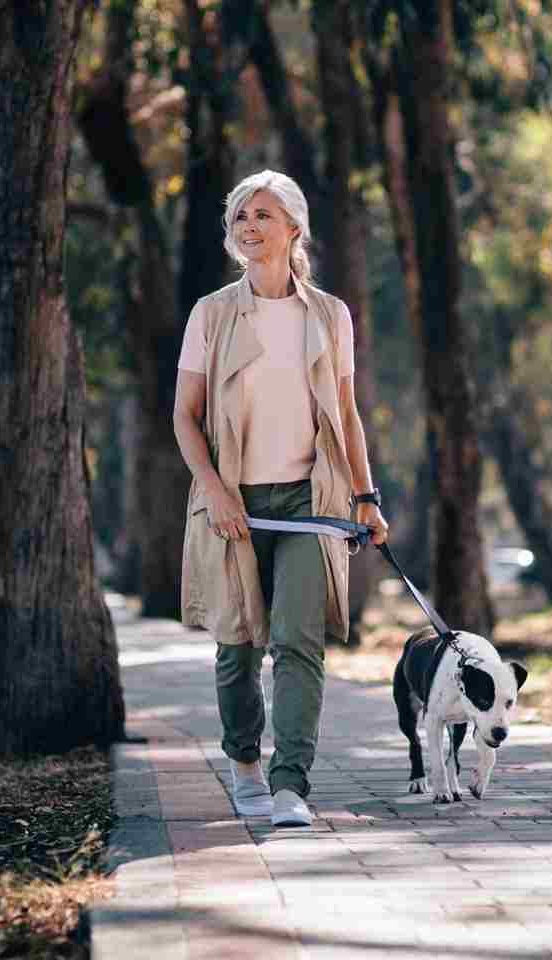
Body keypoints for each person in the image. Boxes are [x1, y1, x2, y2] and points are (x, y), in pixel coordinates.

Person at [173, 169, 389, 827]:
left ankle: (291, 784)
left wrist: (366, 496)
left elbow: (346, 414)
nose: (248, 226)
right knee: (237, 645)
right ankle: (245, 765)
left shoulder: (329, 315)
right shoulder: (211, 314)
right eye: (239, 215)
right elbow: (185, 416)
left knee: (299, 643)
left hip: (308, 503)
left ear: (293, 228)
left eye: (262, 214)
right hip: (233, 503)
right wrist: (215, 492)